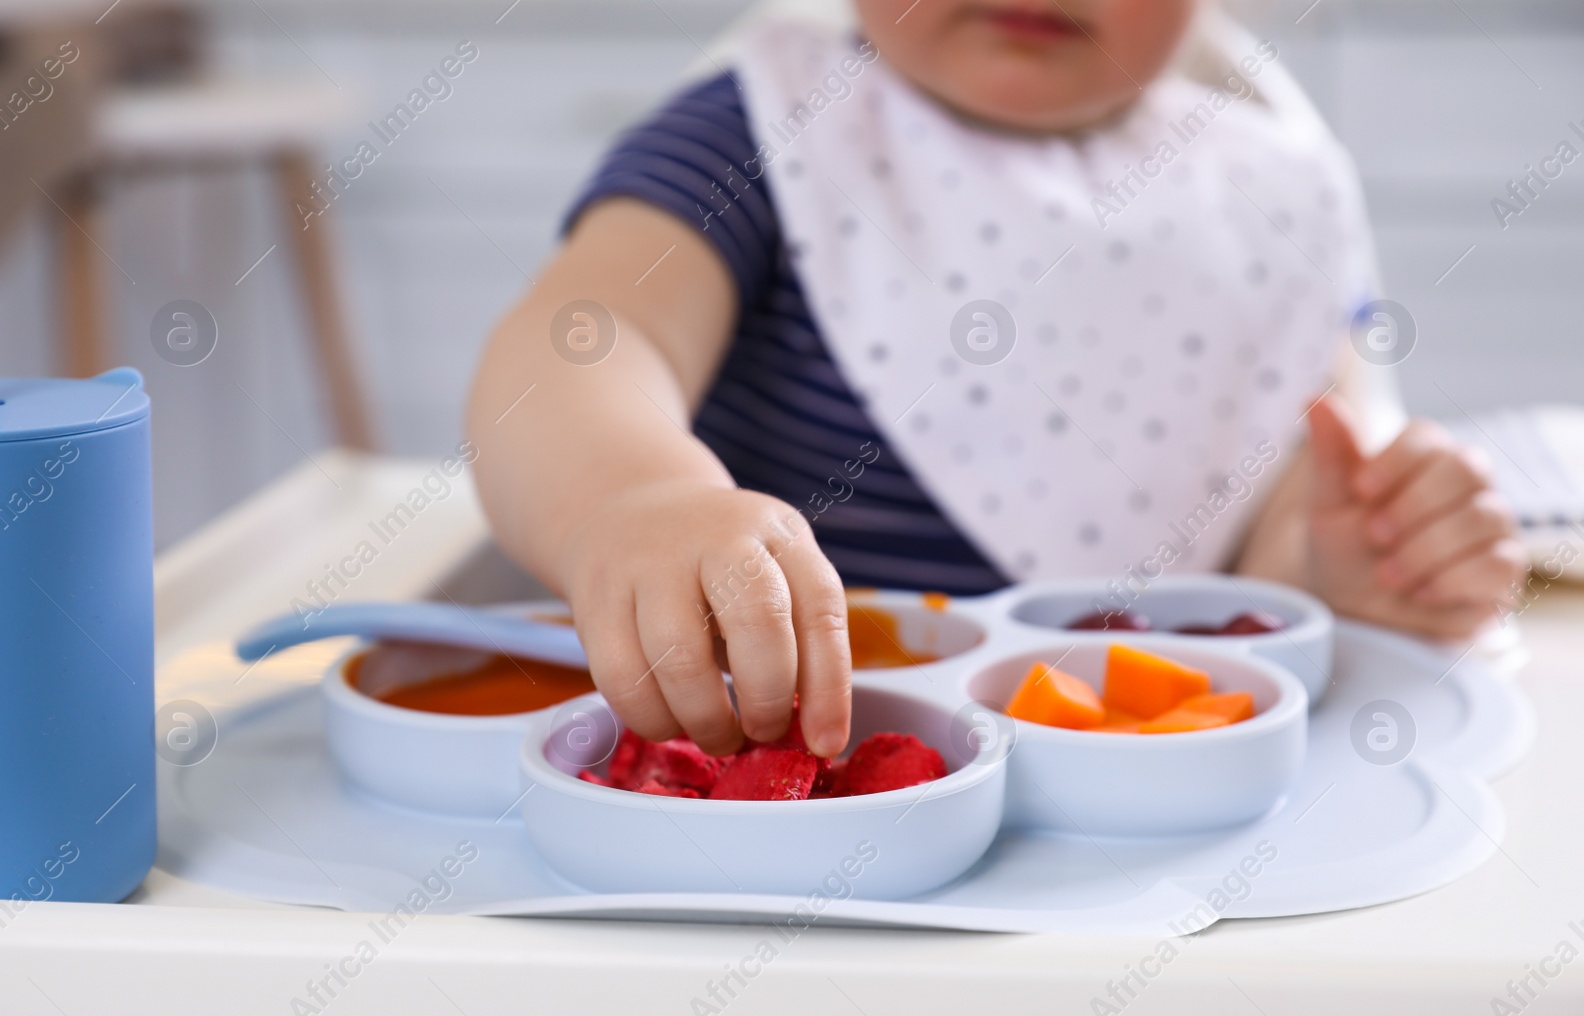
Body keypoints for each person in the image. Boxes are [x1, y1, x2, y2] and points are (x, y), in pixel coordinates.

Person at [467, 0, 1524, 758]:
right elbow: (581, 344)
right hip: (795, 763)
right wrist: (636, 499)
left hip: (1128, 778)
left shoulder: (1277, 190)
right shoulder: (756, 130)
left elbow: (1270, 538)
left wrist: (1346, 572)